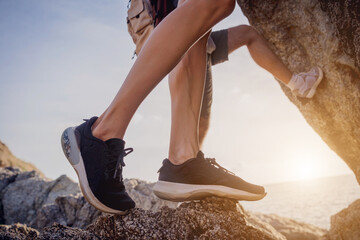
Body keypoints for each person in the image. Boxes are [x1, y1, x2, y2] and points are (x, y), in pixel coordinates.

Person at [61, 0, 323, 214]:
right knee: (216, 4)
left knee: (210, 18)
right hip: (161, 21)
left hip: (170, 24)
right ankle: (102, 133)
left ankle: (183, 160)